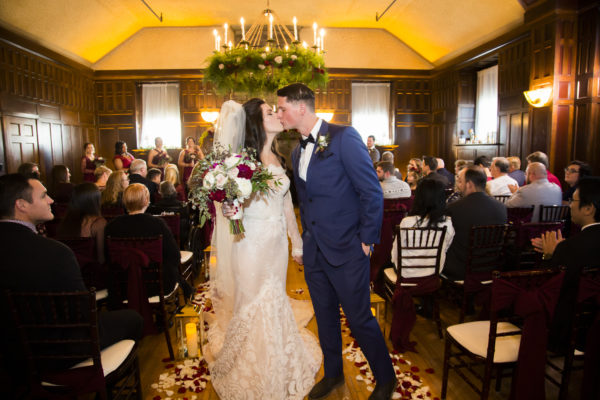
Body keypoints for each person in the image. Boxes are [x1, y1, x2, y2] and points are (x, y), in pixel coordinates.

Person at [278, 83, 396, 400]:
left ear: (301, 107)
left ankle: (386, 379)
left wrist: (367, 240)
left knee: (359, 320)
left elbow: (371, 191)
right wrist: (303, 244)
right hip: (316, 251)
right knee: (325, 317)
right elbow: (308, 202)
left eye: (282, 107)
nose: (279, 114)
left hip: (347, 249)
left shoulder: (343, 137)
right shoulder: (295, 149)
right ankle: (333, 375)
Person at [206, 99, 321, 400]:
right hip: (250, 244)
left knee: (275, 298)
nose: (278, 115)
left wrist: (297, 244)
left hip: (276, 246)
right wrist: (231, 208)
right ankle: (249, 370)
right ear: (257, 123)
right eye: (271, 113)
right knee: (252, 303)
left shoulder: (281, 158)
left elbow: (286, 206)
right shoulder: (240, 163)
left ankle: (279, 362)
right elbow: (230, 203)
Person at [0, 174, 143, 397]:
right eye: (44, 195)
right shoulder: (54, 253)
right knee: (133, 319)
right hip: (59, 350)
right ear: (21, 205)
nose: (51, 201)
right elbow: (82, 314)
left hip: (10, 351)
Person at [104, 183, 190, 298]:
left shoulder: (111, 226)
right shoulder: (157, 224)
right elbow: (174, 256)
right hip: (157, 284)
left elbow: (108, 258)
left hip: (122, 284)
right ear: (146, 201)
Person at [443, 166, 507, 280]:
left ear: (469, 184)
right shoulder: (501, 207)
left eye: (460, 181)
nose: (458, 185)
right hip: (492, 267)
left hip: (461, 268)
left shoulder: (454, 208)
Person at [393, 179, 455, 278]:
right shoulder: (447, 223)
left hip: (406, 273)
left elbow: (395, 253)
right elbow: (446, 248)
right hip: (433, 274)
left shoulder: (407, 222)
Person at [58, 183, 107, 266]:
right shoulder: (99, 223)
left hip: (66, 269)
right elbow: (101, 259)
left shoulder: (65, 221)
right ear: (95, 200)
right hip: (90, 273)